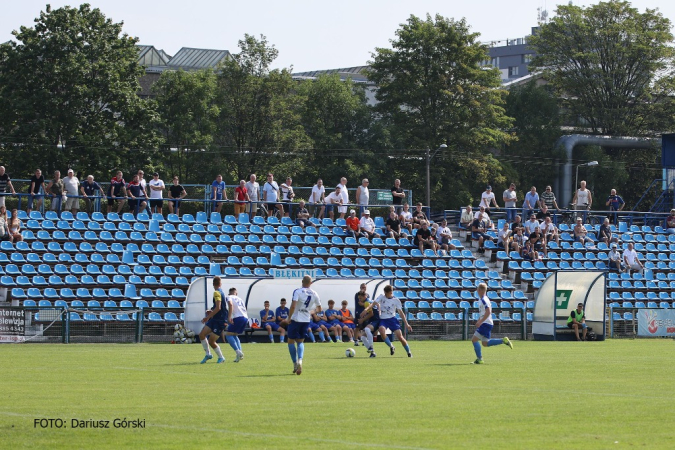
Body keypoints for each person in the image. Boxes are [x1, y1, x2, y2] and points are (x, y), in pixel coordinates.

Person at [280, 275, 321, 375]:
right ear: (311, 283)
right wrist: (310, 312)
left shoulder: (297, 291)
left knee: (290, 341)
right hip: (306, 319)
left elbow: (293, 306)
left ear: (302, 281)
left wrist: (289, 318)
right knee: (300, 342)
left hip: (296, 318)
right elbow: (319, 309)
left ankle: (294, 363)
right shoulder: (315, 293)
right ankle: (300, 360)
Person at [362, 284, 413, 357]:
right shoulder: (381, 296)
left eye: (386, 293)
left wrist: (407, 324)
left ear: (390, 293)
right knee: (381, 330)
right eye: (384, 293)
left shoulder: (396, 300)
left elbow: (401, 313)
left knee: (400, 337)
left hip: (392, 319)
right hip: (383, 319)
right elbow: (373, 304)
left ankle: (409, 352)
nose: (385, 295)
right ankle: (391, 346)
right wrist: (366, 309)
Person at [471, 283, 513, 364]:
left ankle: (480, 359)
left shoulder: (484, 299)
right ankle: (503, 341)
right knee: (485, 343)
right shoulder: (483, 299)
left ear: (479, 290)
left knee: (474, 340)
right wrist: (479, 319)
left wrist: (481, 321)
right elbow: (484, 312)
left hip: (486, 324)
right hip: (487, 323)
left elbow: (488, 311)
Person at [198, 276, 227, 364]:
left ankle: (221, 357)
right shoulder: (220, 292)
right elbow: (218, 307)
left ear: (213, 284)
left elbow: (218, 308)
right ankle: (208, 354)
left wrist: (208, 317)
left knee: (211, 341)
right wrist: (212, 310)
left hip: (220, 321)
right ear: (220, 283)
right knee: (202, 335)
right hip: (215, 319)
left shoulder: (217, 293)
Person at [223, 287, 247, 362]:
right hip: (245, 318)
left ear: (229, 293)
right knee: (234, 335)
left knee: (228, 335)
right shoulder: (240, 299)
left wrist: (229, 317)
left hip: (238, 317)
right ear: (236, 293)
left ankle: (238, 352)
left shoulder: (229, 297)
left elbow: (230, 305)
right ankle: (239, 356)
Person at [357, 292, 380, 357]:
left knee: (367, 329)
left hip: (376, 320)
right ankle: (372, 353)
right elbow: (377, 305)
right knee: (363, 337)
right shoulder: (370, 300)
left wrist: (362, 320)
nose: (359, 300)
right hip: (373, 320)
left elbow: (371, 314)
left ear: (364, 296)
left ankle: (371, 347)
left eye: (360, 298)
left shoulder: (367, 303)